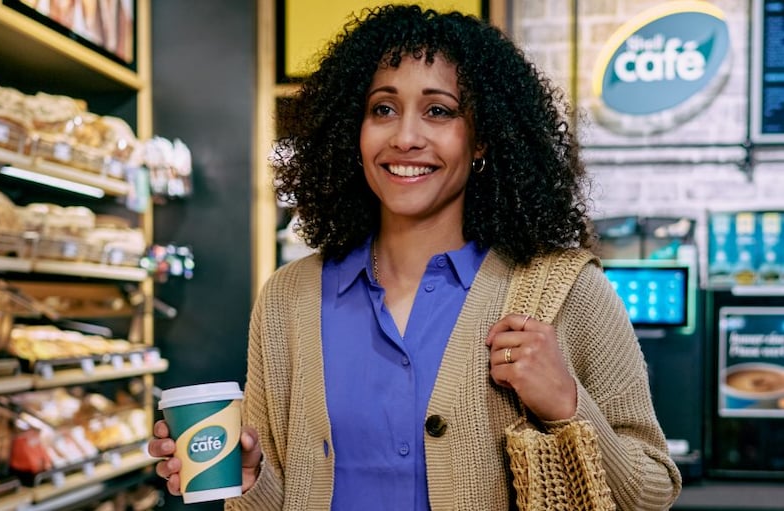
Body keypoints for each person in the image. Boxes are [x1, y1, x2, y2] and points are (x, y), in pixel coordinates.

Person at [148, 4, 681, 509]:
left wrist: (567, 405)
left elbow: (653, 490)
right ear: (351, 132)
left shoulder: (564, 292)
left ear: (481, 140)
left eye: (438, 111)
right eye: (383, 109)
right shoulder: (288, 297)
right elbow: (278, 498)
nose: (405, 137)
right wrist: (251, 479)